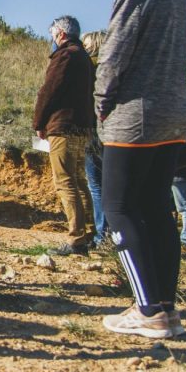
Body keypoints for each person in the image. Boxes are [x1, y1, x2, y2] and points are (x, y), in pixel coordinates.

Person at [96, 0, 186, 339]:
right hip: (176, 115)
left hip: (135, 117)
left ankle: (148, 309)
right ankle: (166, 308)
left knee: (117, 208)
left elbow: (113, 57)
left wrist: (100, 103)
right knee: (157, 210)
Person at [33, 16, 96, 256]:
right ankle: (88, 233)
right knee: (79, 180)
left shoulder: (64, 56)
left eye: (52, 33)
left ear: (60, 33)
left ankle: (76, 238)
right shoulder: (85, 58)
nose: (52, 38)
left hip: (63, 126)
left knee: (65, 181)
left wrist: (39, 121)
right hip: (82, 127)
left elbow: (49, 91)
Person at [81, 31, 109, 248]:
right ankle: (107, 234)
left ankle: (102, 235)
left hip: (94, 131)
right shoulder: (117, 68)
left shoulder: (89, 68)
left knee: (97, 186)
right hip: (116, 133)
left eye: (86, 42)